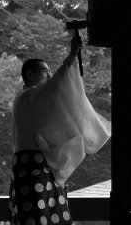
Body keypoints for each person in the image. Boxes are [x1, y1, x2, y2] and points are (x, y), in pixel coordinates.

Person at [9, 36, 111, 225]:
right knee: (39, 216)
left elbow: (53, 93)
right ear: (29, 75)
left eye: (49, 72)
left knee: (39, 214)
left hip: (30, 164)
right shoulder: (29, 96)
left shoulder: (26, 98)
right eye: (44, 71)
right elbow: (55, 87)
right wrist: (72, 55)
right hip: (33, 166)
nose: (48, 75)